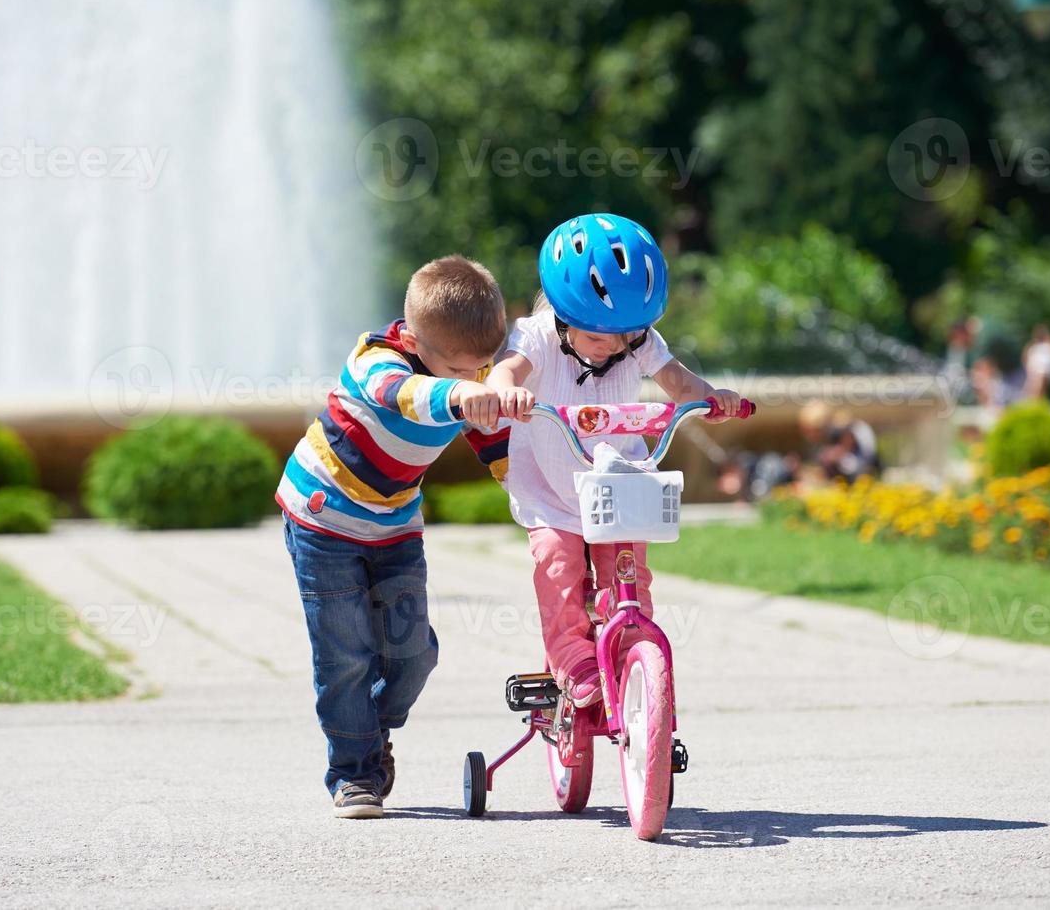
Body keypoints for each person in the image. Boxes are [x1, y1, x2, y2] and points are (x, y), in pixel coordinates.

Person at [276, 255, 510, 819]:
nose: (474, 378)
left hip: (394, 524)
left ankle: (368, 729)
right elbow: (403, 395)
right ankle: (354, 775)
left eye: (483, 366)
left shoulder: (470, 375)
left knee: (414, 655)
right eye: (459, 369)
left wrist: (529, 498)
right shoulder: (375, 360)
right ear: (415, 338)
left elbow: (495, 441)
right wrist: (453, 396)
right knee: (346, 657)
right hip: (323, 518)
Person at [487, 213, 742, 709]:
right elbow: (508, 368)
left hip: (615, 484)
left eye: (625, 338)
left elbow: (677, 381)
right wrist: (505, 391)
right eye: (600, 338)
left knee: (628, 573)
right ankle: (572, 659)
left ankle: (630, 650)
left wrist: (711, 398)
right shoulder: (537, 335)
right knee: (558, 567)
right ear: (563, 314)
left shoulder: (636, 338)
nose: (614, 349)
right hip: (550, 488)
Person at [1022, 324, 1050, 400]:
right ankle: (1033, 400)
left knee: (1042, 387)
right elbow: (1025, 357)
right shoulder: (1033, 346)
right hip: (1035, 369)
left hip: (1045, 369)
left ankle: (1038, 401)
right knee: (1035, 386)